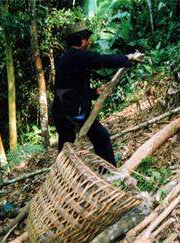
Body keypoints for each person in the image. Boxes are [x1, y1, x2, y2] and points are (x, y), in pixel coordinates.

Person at [52, 21, 134, 167]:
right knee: (73, 148)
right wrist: (126, 59)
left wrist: (95, 92)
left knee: (77, 145)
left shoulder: (68, 57)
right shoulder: (78, 55)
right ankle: (103, 174)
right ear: (82, 40)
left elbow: (71, 88)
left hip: (64, 111)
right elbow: (102, 60)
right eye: (88, 39)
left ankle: (106, 173)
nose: (90, 42)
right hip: (71, 113)